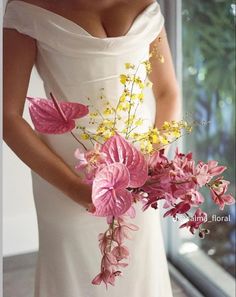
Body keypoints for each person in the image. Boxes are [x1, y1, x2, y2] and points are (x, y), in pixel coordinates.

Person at [3, 0, 181, 296]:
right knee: (74, 276)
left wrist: (152, 161)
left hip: (138, 177)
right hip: (66, 177)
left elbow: (167, 91)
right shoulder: (27, 6)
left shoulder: (144, 2)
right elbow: (8, 118)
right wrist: (74, 189)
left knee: (138, 272)